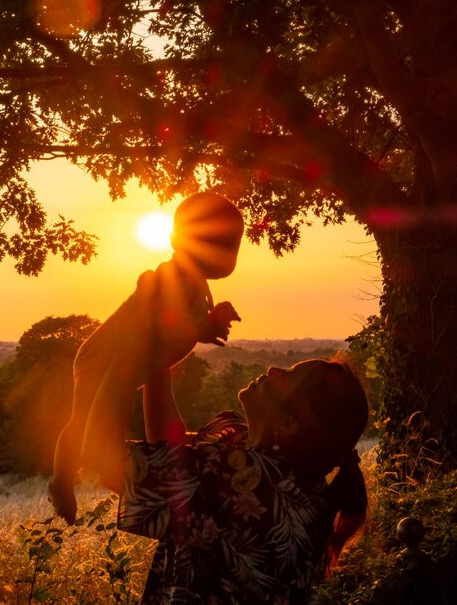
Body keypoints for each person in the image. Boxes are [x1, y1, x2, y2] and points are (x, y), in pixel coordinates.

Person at [80, 358, 369, 604]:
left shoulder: (246, 481)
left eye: (288, 376)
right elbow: (170, 449)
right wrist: (159, 354)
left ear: (288, 424)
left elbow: (102, 456)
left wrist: (125, 359)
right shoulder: (285, 476)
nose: (272, 370)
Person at [49, 192, 245, 525]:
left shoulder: (196, 283)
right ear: (173, 241)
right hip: (104, 358)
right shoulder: (174, 276)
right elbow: (164, 319)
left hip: (130, 367)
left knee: (99, 426)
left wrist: (212, 320)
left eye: (229, 244)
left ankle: (112, 473)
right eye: (212, 242)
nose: (222, 252)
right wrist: (202, 327)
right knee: (82, 420)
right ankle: (61, 478)